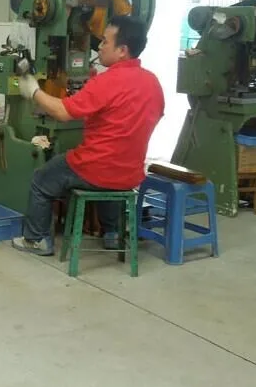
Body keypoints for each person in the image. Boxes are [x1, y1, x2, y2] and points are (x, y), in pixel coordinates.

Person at [11, 15, 165, 256]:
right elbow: (147, 115)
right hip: (130, 172)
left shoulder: (108, 82)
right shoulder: (152, 82)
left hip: (94, 167)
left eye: (105, 41)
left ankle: (36, 239)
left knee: (42, 179)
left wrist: (34, 91)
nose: (99, 46)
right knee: (112, 176)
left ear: (122, 50)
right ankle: (113, 234)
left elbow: (63, 113)